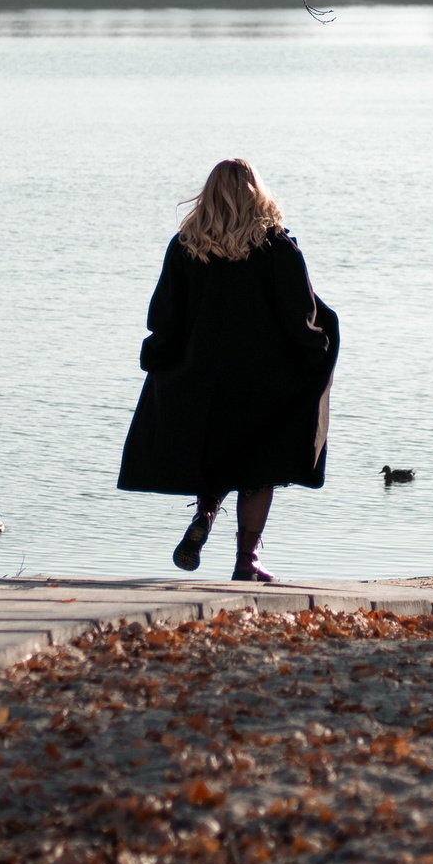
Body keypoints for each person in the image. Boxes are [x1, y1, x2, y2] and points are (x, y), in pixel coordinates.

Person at [117, 158, 338, 582]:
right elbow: (300, 316)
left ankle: (205, 515)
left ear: (210, 194)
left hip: (202, 379)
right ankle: (247, 560)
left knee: (217, 456)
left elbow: (165, 316)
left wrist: (159, 357)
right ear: (257, 192)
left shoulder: (186, 245)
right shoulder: (276, 246)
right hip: (263, 381)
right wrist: (318, 348)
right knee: (258, 468)